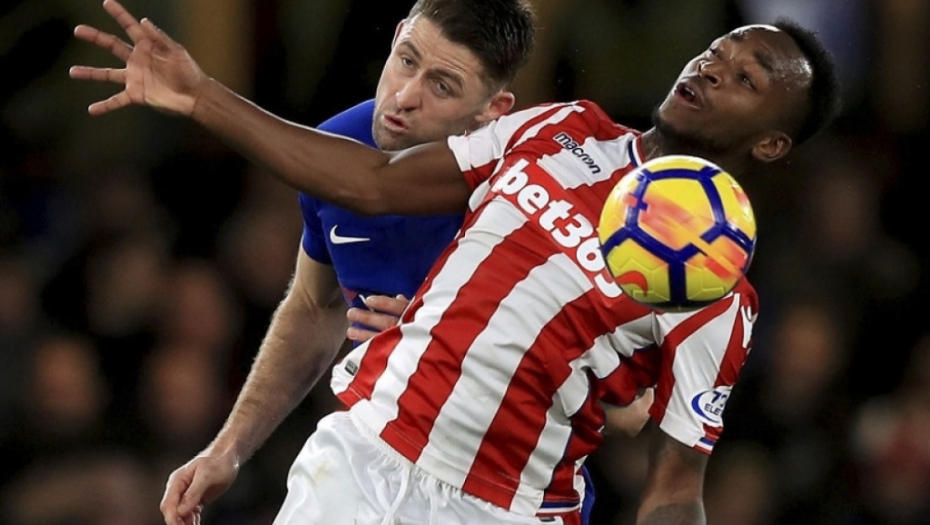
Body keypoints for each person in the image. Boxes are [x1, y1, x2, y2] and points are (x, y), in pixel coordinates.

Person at [71, 1, 841, 523]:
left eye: (746, 78)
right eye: (715, 52)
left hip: (501, 507)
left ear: (772, 143)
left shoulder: (716, 295)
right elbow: (374, 182)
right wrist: (200, 96)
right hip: (361, 453)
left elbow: (673, 488)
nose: (711, 68)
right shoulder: (561, 129)